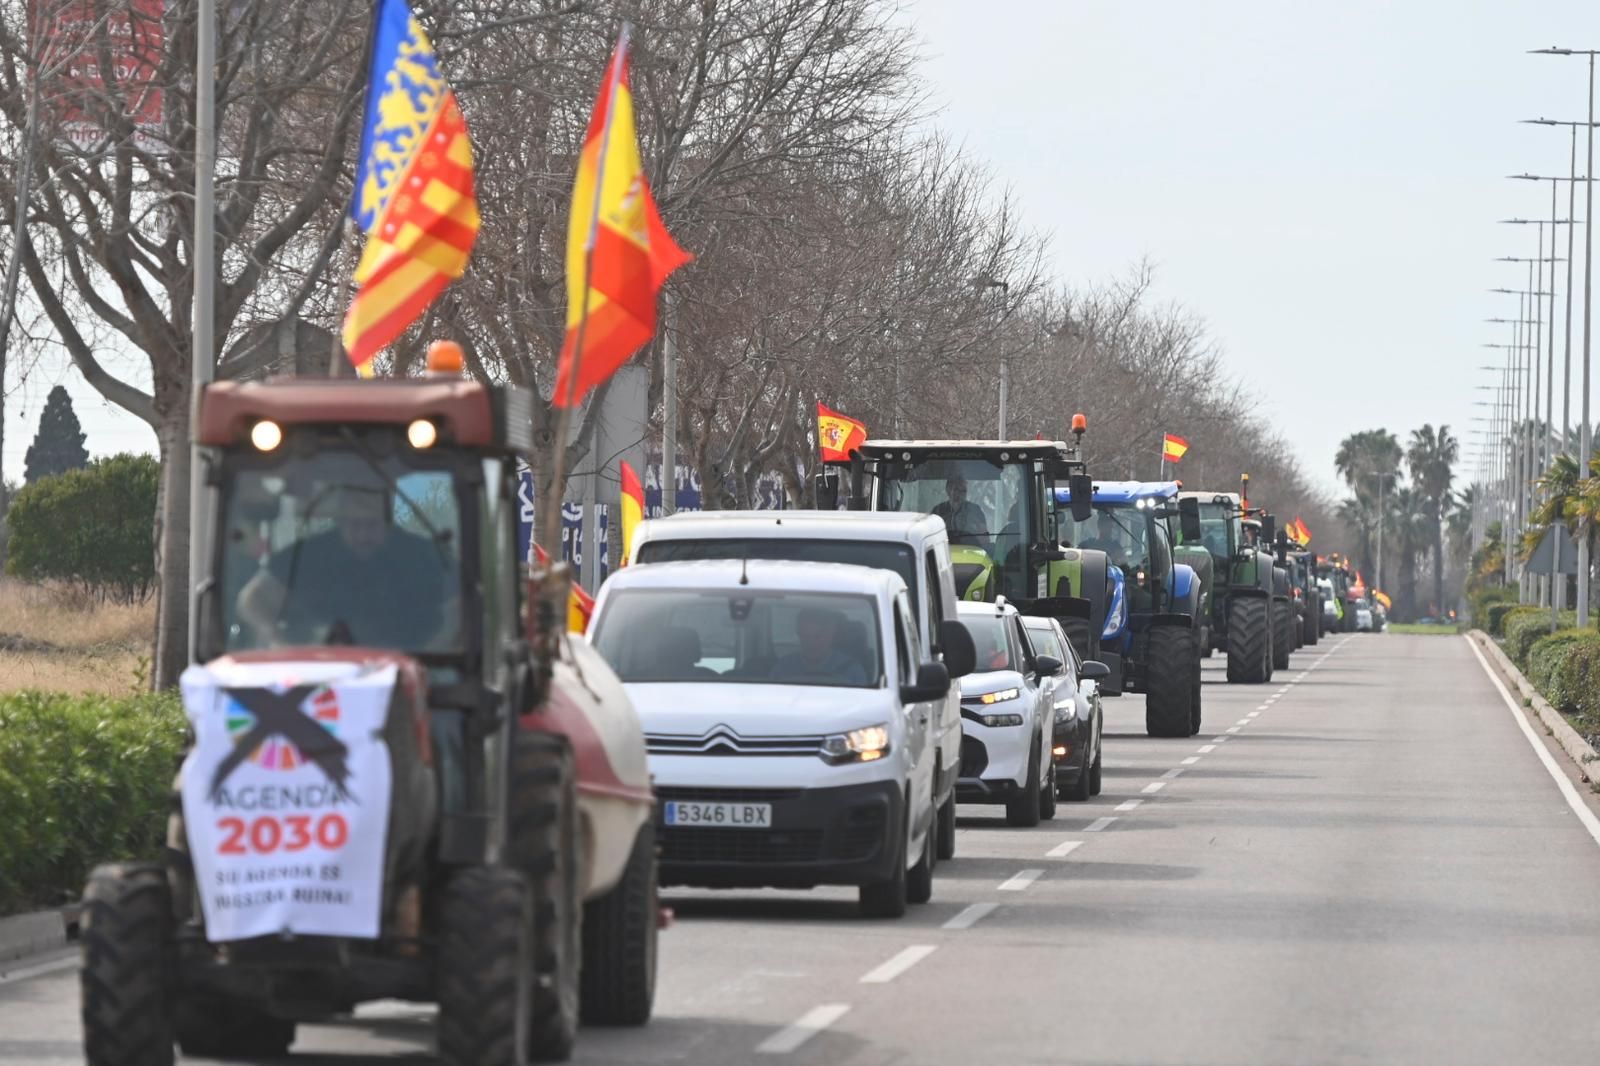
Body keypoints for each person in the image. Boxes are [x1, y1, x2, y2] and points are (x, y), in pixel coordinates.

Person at [235, 486, 451, 649]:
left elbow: (461, 608)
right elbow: (252, 600)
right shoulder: (308, 556)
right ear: (340, 522)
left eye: (372, 525)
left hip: (414, 668)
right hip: (320, 668)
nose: (363, 535)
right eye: (355, 525)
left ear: (388, 522)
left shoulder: (422, 556)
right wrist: (280, 643)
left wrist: (431, 651)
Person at [769, 606, 867, 685]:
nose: (811, 642)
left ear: (831, 635)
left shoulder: (852, 671)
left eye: (818, 636)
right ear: (799, 635)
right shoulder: (783, 668)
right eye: (806, 636)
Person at [932, 473, 989, 548]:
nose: (959, 494)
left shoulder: (975, 511)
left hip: (971, 553)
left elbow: (985, 538)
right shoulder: (938, 511)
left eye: (963, 491)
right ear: (948, 490)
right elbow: (930, 537)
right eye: (956, 489)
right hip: (943, 553)